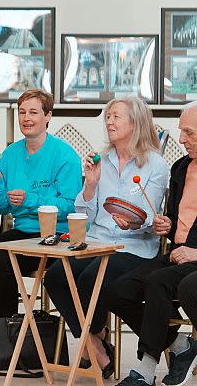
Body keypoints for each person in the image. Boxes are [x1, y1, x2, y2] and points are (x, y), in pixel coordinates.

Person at [44, 97, 168, 380]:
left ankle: (92, 345)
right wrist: (91, 185)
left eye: (116, 117)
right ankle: (96, 340)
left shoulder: (155, 165)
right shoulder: (101, 160)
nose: (109, 122)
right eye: (107, 116)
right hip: (97, 241)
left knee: (90, 277)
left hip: (133, 246)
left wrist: (134, 222)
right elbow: (84, 214)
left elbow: (151, 217)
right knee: (55, 277)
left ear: (135, 123)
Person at [106, 101, 197, 386]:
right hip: (176, 253)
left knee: (158, 281)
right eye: (181, 132)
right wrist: (165, 225)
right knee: (118, 290)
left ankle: (146, 370)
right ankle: (180, 345)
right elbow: (173, 218)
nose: (181, 139)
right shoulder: (181, 167)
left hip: (193, 257)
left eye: (189, 133)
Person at [0, 89, 81, 320]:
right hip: (23, 232)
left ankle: (7, 331)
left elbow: (70, 207)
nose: (26, 118)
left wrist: (31, 200)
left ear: (48, 116)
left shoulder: (65, 156)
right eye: (21, 112)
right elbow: (0, 207)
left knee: (2, 260)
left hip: (56, 236)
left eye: (33, 112)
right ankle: (6, 324)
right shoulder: (10, 154)